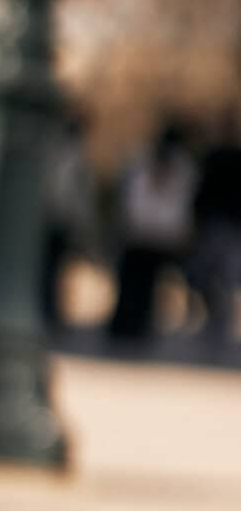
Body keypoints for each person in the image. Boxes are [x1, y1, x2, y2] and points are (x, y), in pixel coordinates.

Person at [108, 120, 198, 344]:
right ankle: (130, 327)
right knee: (140, 283)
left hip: (147, 231)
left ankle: (132, 328)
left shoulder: (169, 164)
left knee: (139, 283)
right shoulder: (169, 164)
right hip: (153, 232)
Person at [188, 114, 241, 350]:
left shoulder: (218, 158)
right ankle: (215, 323)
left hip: (225, 226)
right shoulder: (214, 157)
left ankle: (219, 325)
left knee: (221, 278)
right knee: (211, 277)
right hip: (218, 224)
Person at [42, 104, 95, 331]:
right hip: (56, 219)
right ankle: (48, 311)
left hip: (56, 219)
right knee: (52, 269)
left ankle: (50, 311)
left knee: (54, 269)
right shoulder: (70, 155)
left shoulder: (55, 150)